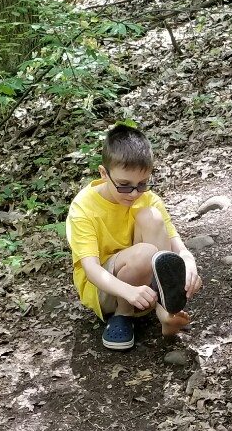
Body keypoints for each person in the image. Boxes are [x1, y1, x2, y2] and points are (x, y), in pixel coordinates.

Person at [65, 123, 202, 350]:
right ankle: (123, 314)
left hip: (144, 288)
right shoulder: (84, 207)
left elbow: (177, 245)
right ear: (104, 174)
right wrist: (128, 291)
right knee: (146, 253)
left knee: (152, 217)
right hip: (106, 290)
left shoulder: (147, 198)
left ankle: (165, 310)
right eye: (124, 185)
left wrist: (189, 263)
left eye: (142, 184)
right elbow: (91, 270)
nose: (134, 193)